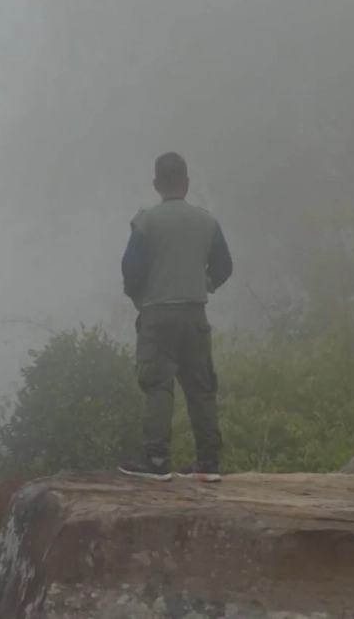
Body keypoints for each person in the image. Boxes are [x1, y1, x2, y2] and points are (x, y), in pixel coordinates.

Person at [117, 152, 232, 483]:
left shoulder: (146, 221)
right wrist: (205, 283)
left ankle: (156, 461)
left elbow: (131, 270)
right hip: (195, 315)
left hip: (158, 314)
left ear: (156, 184)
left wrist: (140, 298)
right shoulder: (206, 222)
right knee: (201, 387)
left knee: (158, 385)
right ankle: (209, 463)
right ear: (187, 182)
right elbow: (224, 266)